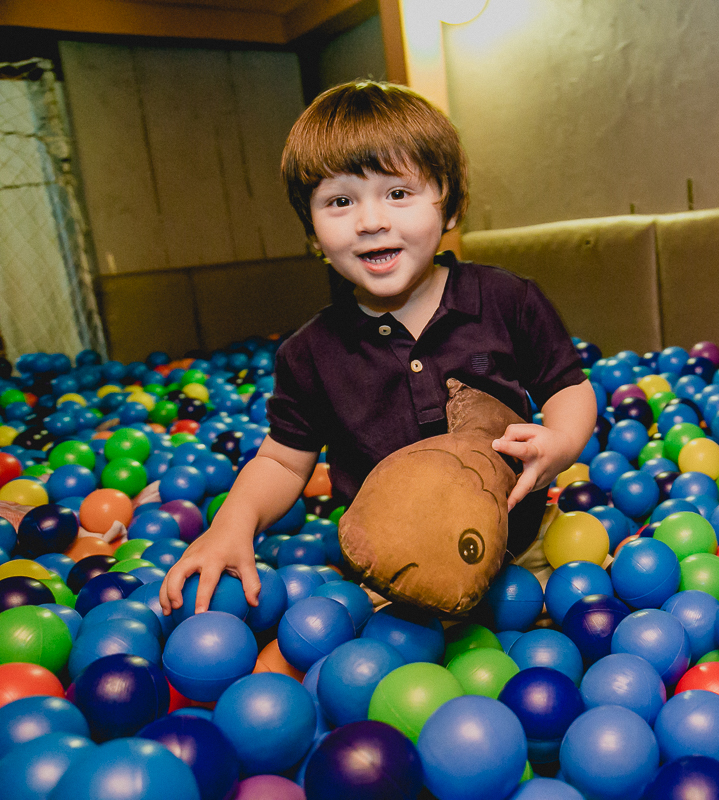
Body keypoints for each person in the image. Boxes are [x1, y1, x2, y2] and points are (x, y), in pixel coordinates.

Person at [160, 81, 596, 616]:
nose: (370, 221)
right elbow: (282, 461)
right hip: (391, 574)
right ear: (313, 232)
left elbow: (567, 387)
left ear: (450, 206)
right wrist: (232, 523)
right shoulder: (310, 354)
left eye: (397, 193)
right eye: (340, 201)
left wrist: (561, 443)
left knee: (566, 625)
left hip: (519, 542)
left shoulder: (507, 300)